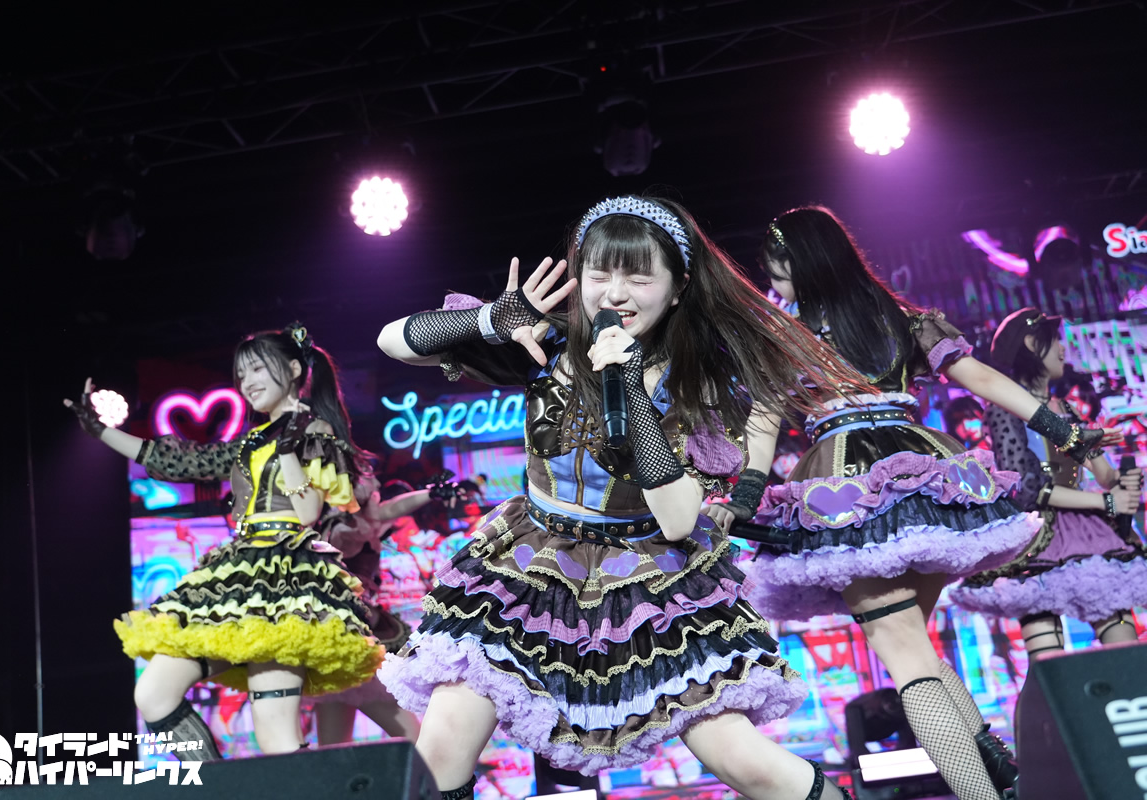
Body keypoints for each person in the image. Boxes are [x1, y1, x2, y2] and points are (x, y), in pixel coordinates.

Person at [375, 195, 873, 800]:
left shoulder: (699, 380)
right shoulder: (545, 342)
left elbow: (678, 518)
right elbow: (393, 341)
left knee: (747, 764)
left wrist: (630, 389)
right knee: (439, 754)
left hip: (649, 582)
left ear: (678, 287)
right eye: (599, 274)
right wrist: (491, 319)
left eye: (639, 277)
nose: (615, 294)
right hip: (528, 570)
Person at [731, 207, 1119, 800]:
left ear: (802, 264)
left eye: (777, 272)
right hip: (931, 481)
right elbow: (982, 378)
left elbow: (761, 424)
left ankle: (986, 795)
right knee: (919, 649)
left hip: (848, 490)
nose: (774, 286)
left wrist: (745, 496)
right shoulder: (899, 316)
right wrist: (1063, 430)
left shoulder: (786, 335)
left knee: (907, 660)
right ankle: (1005, 776)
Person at [64, 323, 384, 757]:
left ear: (293, 369)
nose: (247, 382)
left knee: (276, 737)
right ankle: (216, 784)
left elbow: (308, 512)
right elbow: (180, 462)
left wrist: (289, 451)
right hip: (236, 576)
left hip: (285, 583)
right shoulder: (250, 441)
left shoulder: (315, 430)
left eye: (257, 369)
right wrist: (101, 431)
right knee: (154, 694)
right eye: (241, 374)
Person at [951, 308, 1146, 660]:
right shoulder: (1003, 410)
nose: (1062, 348)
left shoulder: (1066, 410)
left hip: (1088, 533)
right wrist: (1107, 502)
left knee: (1126, 650)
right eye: (1055, 339)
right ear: (1030, 342)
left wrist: (1121, 480)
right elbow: (1029, 490)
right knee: (1047, 659)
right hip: (1037, 538)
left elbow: (1103, 474)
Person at [311, 472, 466, 746]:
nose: (379, 494)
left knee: (334, 747)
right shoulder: (344, 530)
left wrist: (430, 493)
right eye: (374, 491)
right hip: (347, 640)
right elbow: (387, 512)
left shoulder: (349, 525)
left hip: (338, 640)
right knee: (413, 739)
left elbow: (391, 510)